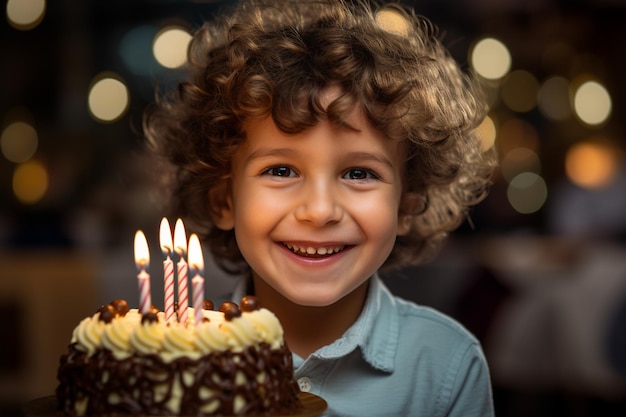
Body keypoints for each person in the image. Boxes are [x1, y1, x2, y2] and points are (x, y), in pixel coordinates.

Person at [144, 0, 497, 415]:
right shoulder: (170, 356)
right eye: (280, 169)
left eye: (359, 174)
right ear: (224, 199)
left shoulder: (445, 365)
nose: (319, 210)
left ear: (406, 206)